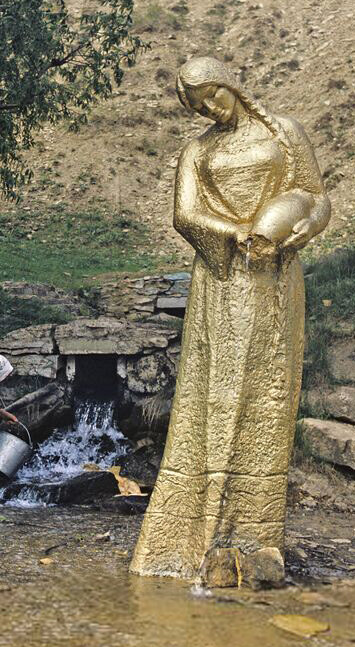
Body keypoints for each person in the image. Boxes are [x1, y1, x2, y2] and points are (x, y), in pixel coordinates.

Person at [130, 56, 330, 582]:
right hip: (220, 278)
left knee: (266, 383)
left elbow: (314, 195)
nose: (210, 110)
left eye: (212, 96)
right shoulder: (197, 151)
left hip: (274, 276)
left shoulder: (283, 132)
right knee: (211, 383)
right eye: (198, 107)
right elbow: (184, 214)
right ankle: (188, 535)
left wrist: (294, 230)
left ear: (230, 84)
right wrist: (236, 230)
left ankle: (253, 528)